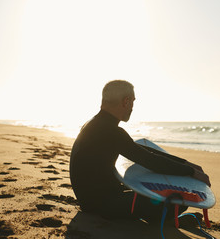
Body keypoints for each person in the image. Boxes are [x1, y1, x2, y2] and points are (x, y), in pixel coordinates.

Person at [69, 80, 210, 223]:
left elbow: (140, 150)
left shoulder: (95, 123)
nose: (132, 108)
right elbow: (150, 160)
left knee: (152, 195)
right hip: (103, 205)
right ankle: (168, 221)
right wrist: (190, 172)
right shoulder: (110, 130)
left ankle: (165, 218)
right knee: (178, 200)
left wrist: (186, 164)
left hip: (90, 200)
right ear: (126, 101)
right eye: (133, 102)